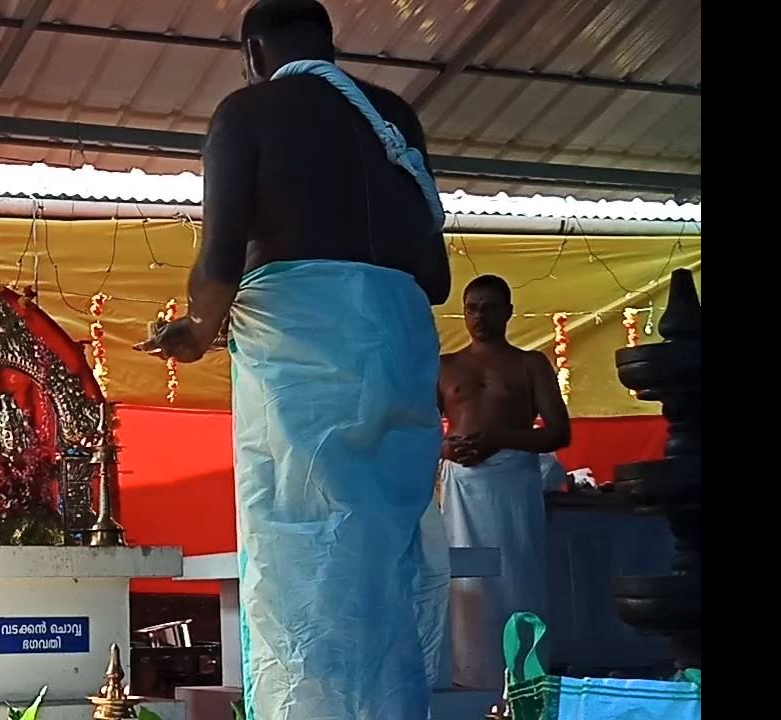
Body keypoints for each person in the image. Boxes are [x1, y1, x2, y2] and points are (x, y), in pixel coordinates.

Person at [138, 1, 450, 717]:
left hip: (304, 350)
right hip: (400, 342)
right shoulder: (394, 116)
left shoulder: (249, 112)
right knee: (386, 552)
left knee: (303, 548)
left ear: (252, 50)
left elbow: (218, 265)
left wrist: (193, 331)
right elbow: (436, 278)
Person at [438, 274, 571, 690]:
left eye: (491, 307)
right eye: (473, 307)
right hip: (462, 484)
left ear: (509, 312)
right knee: (465, 579)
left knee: (518, 574)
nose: (480, 316)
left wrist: (498, 439)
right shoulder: (445, 365)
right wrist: (445, 449)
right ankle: (470, 678)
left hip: (512, 482)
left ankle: (526, 682)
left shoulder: (530, 364)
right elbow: (417, 427)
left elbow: (558, 432)